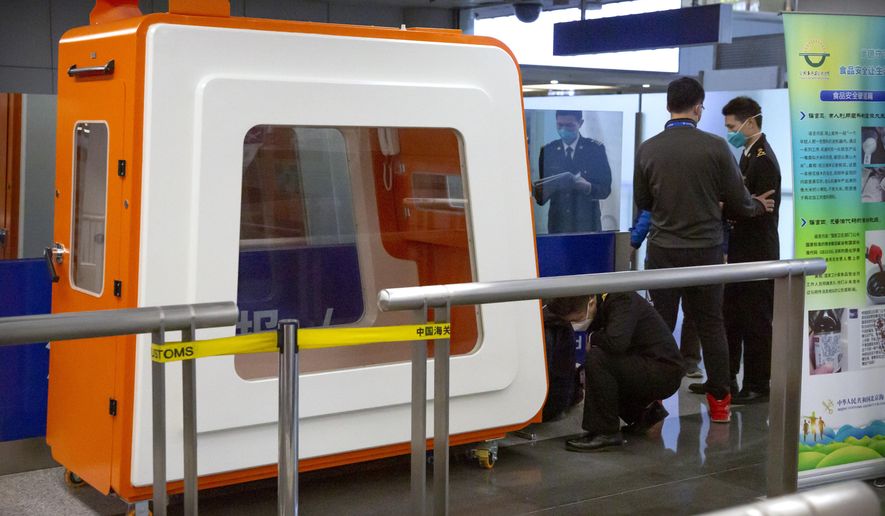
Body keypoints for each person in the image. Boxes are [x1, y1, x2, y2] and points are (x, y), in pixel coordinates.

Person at [633, 77, 775, 424]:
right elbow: (740, 202)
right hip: (706, 253)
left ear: (669, 106)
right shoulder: (716, 147)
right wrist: (758, 205)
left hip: (663, 252)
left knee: (660, 327)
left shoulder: (648, 149)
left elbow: (644, 201)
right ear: (698, 107)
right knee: (712, 326)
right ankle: (720, 403)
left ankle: (652, 401)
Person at [706, 96, 781, 405]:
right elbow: (745, 201)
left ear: (750, 123)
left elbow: (757, 208)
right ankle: (726, 378)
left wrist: (727, 206)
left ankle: (758, 383)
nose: (730, 133)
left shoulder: (763, 159)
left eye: (732, 126)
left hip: (757, 250)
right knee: (733, 315)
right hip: (741, 248)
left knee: (756, 320)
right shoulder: (747, 153)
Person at [562, 292, 685, 452]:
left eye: (577, 318)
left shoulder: (621, 299)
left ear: (590, 302)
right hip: (651, 365)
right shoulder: (605, 305)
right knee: (598, 368)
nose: (576, 324)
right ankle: (645, 415)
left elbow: (616, 342)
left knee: (597, 359)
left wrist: (591, 338)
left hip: (664, 371)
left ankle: (605, 432)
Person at [534, 110, 612, 233]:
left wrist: (588, 187)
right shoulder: (548, 151)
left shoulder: (594, 150)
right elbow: (541, 197)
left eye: (569, 125)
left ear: (580, 123)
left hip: (587, 225)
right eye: (560, 125)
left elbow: (605, 189)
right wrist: (539, 191)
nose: (563, 129)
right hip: (558, 225)